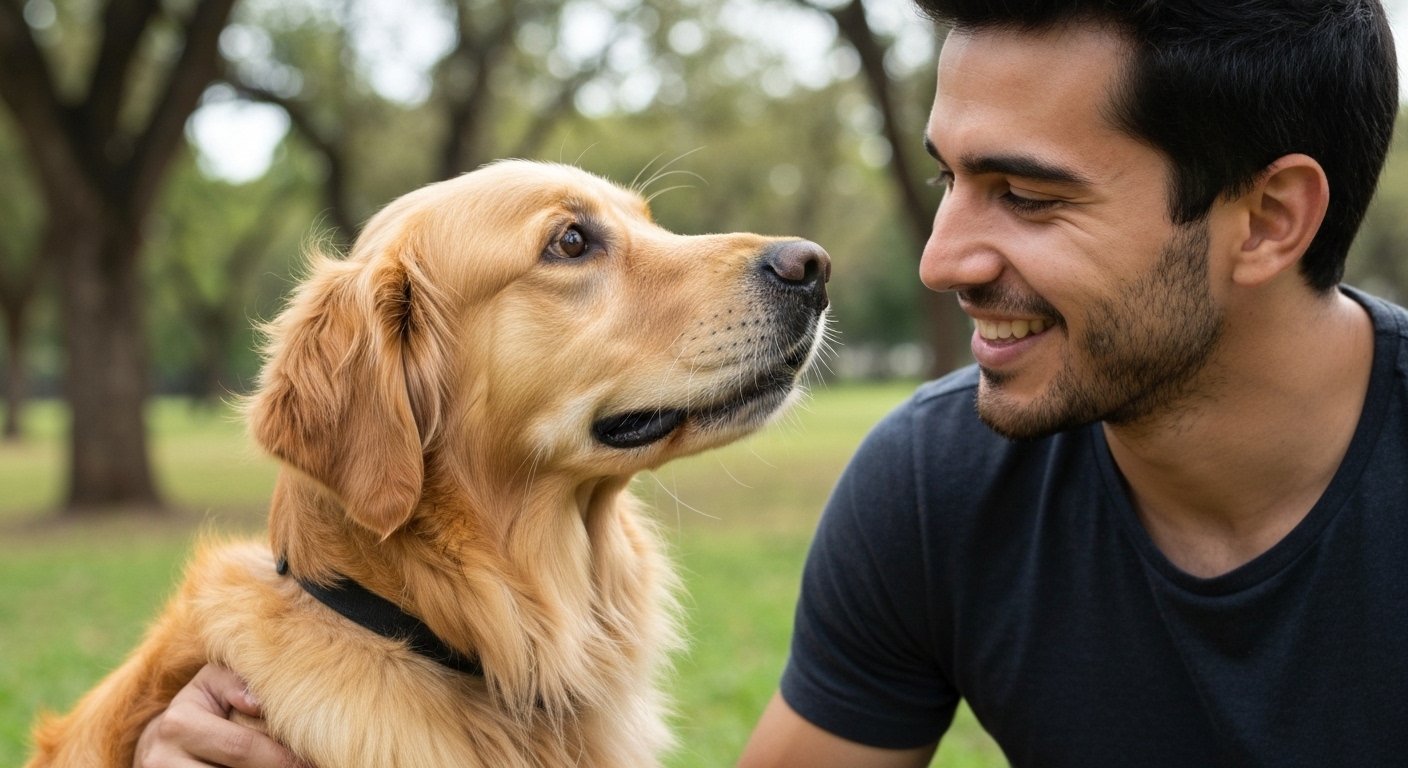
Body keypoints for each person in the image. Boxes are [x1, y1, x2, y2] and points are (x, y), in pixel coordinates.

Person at [139, 0, 1406, 766]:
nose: (938, 257)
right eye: (950, 179)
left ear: (1267, 220)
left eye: (1025, 195)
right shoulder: (934, 486)